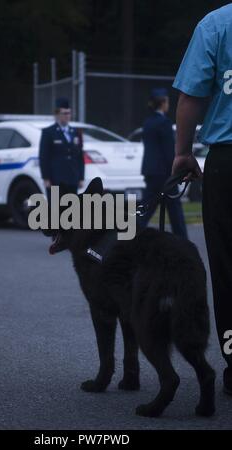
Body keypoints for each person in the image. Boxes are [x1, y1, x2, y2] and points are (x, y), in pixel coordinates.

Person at [172, 3, 232, 395]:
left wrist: (182, 151)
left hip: (228, 160)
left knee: (228, 267)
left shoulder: (217, 23)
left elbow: (192, 95)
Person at [139, 88, 188, 238]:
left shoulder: (147, 123)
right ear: (163, 103)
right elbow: (168, 150)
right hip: (165, 173)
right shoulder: (164, 123)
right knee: (175, 210)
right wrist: (177, 172)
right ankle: (183, 241)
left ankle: (130, 233)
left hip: (151, 172)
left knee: (146, 208)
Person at [39, 97, 84, 203]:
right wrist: (46, 178)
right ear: (57, 115)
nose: (67, 116)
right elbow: (44, 156)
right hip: (56, 179)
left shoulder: (75, 132)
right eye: (64, 113)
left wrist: (81, 177)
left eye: (68, 113)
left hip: (72, 178)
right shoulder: (49, 132)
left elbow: (79, 157)